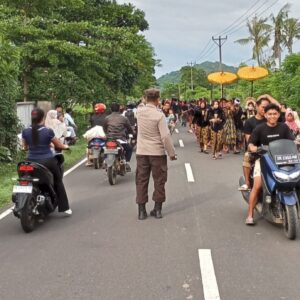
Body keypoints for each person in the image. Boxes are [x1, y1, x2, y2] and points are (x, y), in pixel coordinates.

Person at [245, 103, 295, 225]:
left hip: (283, 159)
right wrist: (253, 148)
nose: (272, 116)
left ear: (278, 115)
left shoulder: (284, 127)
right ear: (265, 115)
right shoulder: (259, 129)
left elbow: (291, 142)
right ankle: (250, 214)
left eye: (275, 114)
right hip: (263, 159)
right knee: (257, 185)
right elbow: (251, 143)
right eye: (270, 114)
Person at [135, 88, 177, 220]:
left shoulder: (139, 112)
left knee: (141, 180)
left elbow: (141, 105)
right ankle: (157, 210)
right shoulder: (159, 115)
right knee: (159, 181)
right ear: (158, 100)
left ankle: (141, 211)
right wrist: (171, 153)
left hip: (142, 151)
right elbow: (165, 136)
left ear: (145, 98)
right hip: (157, 153)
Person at [22, 108, 72, 215]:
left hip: (30, 162)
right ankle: (65, 207)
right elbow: (58, 145)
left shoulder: (25, 131)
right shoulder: (47, 131)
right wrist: (66, 147)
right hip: (47, 161)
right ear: (43, 118)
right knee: (58, 181)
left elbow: (24, 147)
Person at [103, 102, 133, 171]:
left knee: (104, 148)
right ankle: (127, 162)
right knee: (129, 149)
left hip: (110, 139)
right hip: (121, 139)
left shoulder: (107, 118)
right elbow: (129, 128)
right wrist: (133, 132)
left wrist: (107, 134)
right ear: (119, 109)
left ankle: (105, 161)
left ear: (110, 109)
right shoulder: (124, 118)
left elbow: (104, 128)